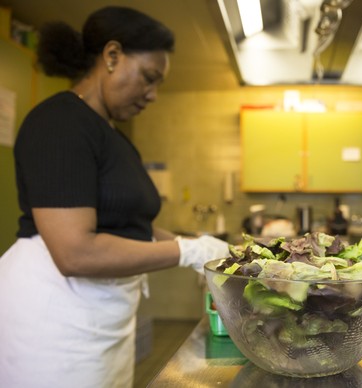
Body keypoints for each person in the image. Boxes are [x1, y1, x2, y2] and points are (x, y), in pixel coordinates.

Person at [0, 7, 229, 388]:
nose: (153, 94)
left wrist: (201, 249)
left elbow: (131, 223)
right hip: (53, 319)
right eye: (149, 78)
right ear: (112, 56)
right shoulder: (59, 123)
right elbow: (74, 252)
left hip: (103, 318)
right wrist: (188, 252)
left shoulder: (115, 139)